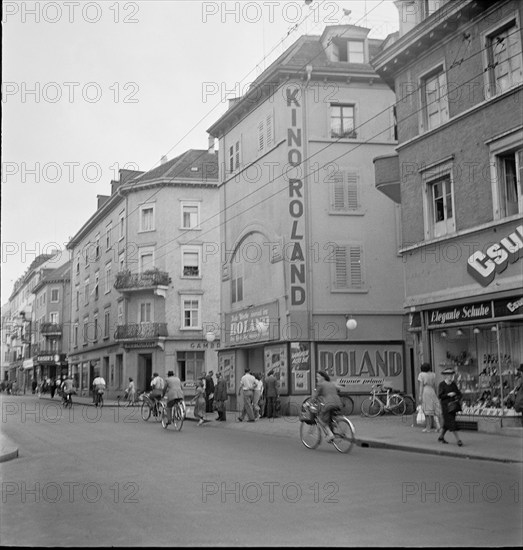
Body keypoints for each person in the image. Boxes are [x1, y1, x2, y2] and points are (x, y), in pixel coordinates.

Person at [312, 371, 342, 442]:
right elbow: (338, 390)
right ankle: (332, 431)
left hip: (329, 403)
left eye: (318, 376)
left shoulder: (321, 384)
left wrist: (309, 403)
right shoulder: (331, 383)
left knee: (321, 419)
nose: (317, 378)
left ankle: (330, 434)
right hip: (338, 402)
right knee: (329, 417)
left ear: (323, 377)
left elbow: (314, 396)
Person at [438, 368, 463, 446]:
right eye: (449, 375)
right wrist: (448, 394)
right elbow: (440, 395)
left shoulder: (453, 384)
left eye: (451, 375)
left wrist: (456, 396)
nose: (450, 376)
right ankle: (458, 440)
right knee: (452, 422)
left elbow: (459, 393)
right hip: (445, 405)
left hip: (452, 406)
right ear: (445, 376)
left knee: (447, 422)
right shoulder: (442, 384)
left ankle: (441, 437)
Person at [418, 362, 440, 432]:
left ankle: (428, 427)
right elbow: (434, 385)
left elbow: (421, 385)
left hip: (425, 391)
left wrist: (420, 395)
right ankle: (438, 425)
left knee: (427, 410)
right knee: (434, 409)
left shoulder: (421, 375)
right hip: (432, 391)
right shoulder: (433, 374)